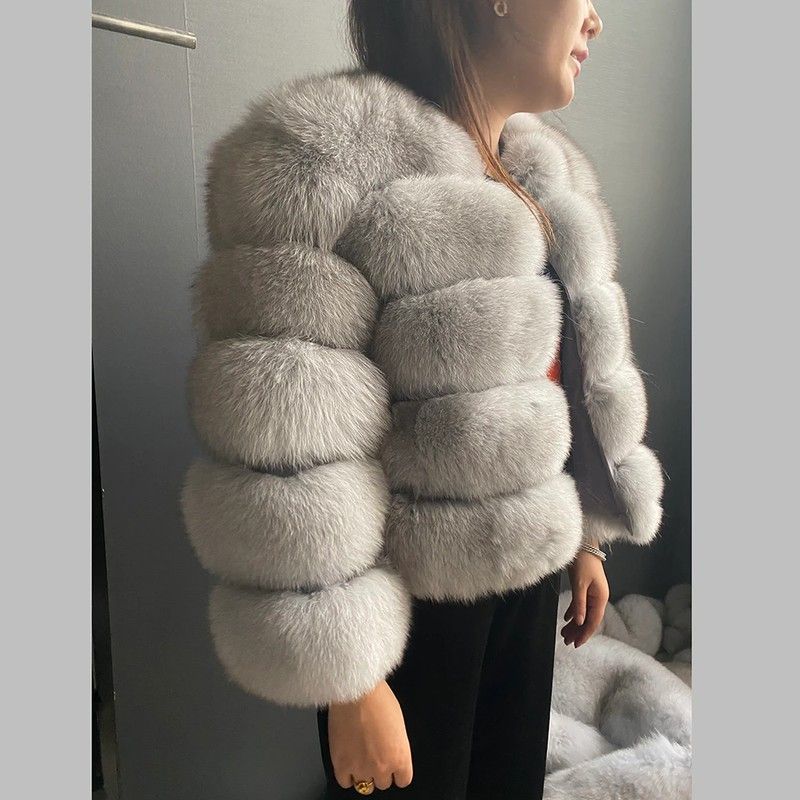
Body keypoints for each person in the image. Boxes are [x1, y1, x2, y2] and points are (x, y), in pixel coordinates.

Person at [179, 1, 665, 798]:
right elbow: (285, 439)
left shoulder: (549, 177)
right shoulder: (321, 159)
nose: (595, 20)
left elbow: (563, 386)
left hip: (526, 583)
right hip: (403, 618)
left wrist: (585, 536)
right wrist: (350, 678)